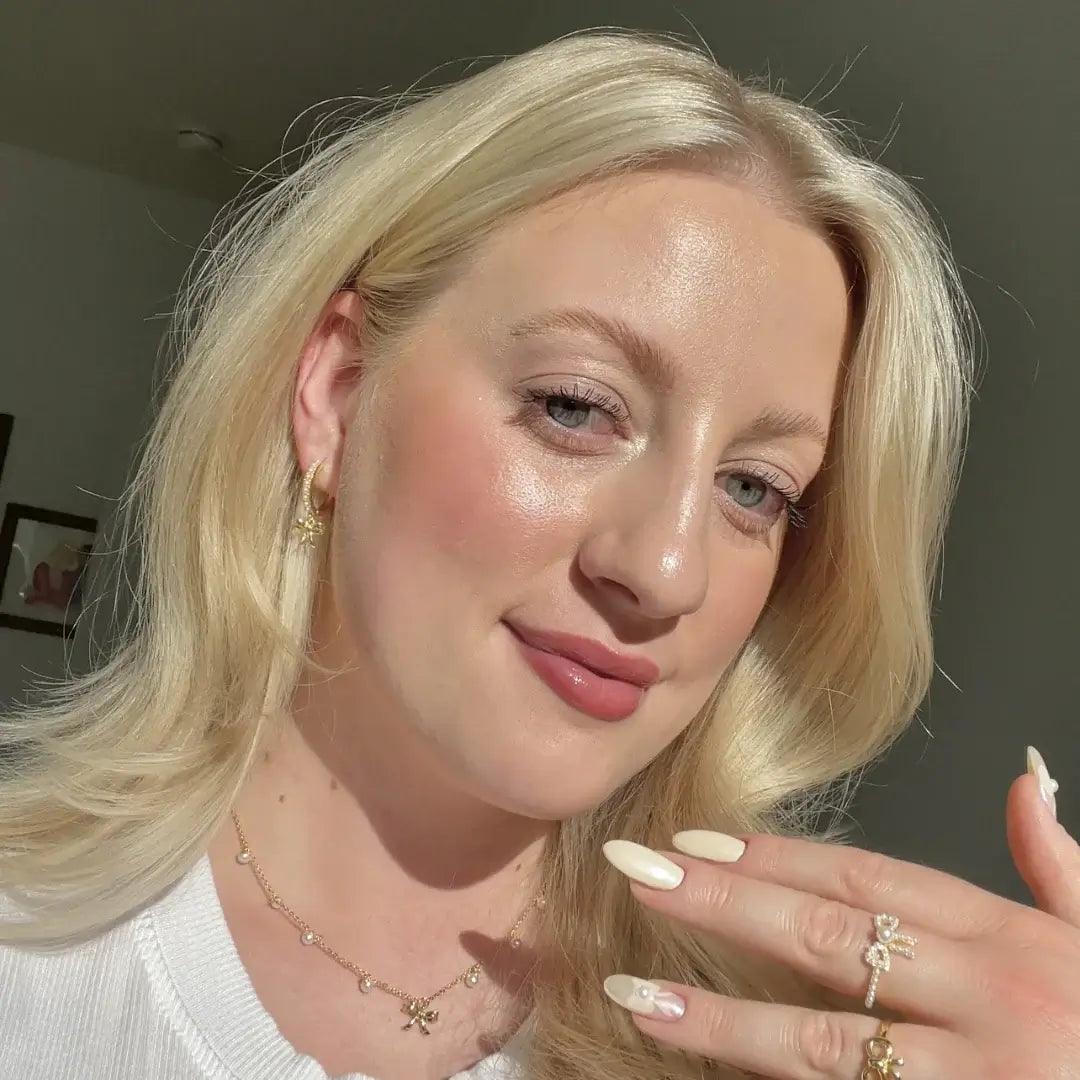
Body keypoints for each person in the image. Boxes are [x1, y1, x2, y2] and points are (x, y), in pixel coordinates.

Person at [0, 27, 1077, 1080]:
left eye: (754, 487)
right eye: (575, 407)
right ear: (339, 391)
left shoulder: (787, 1049)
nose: (668, 571)